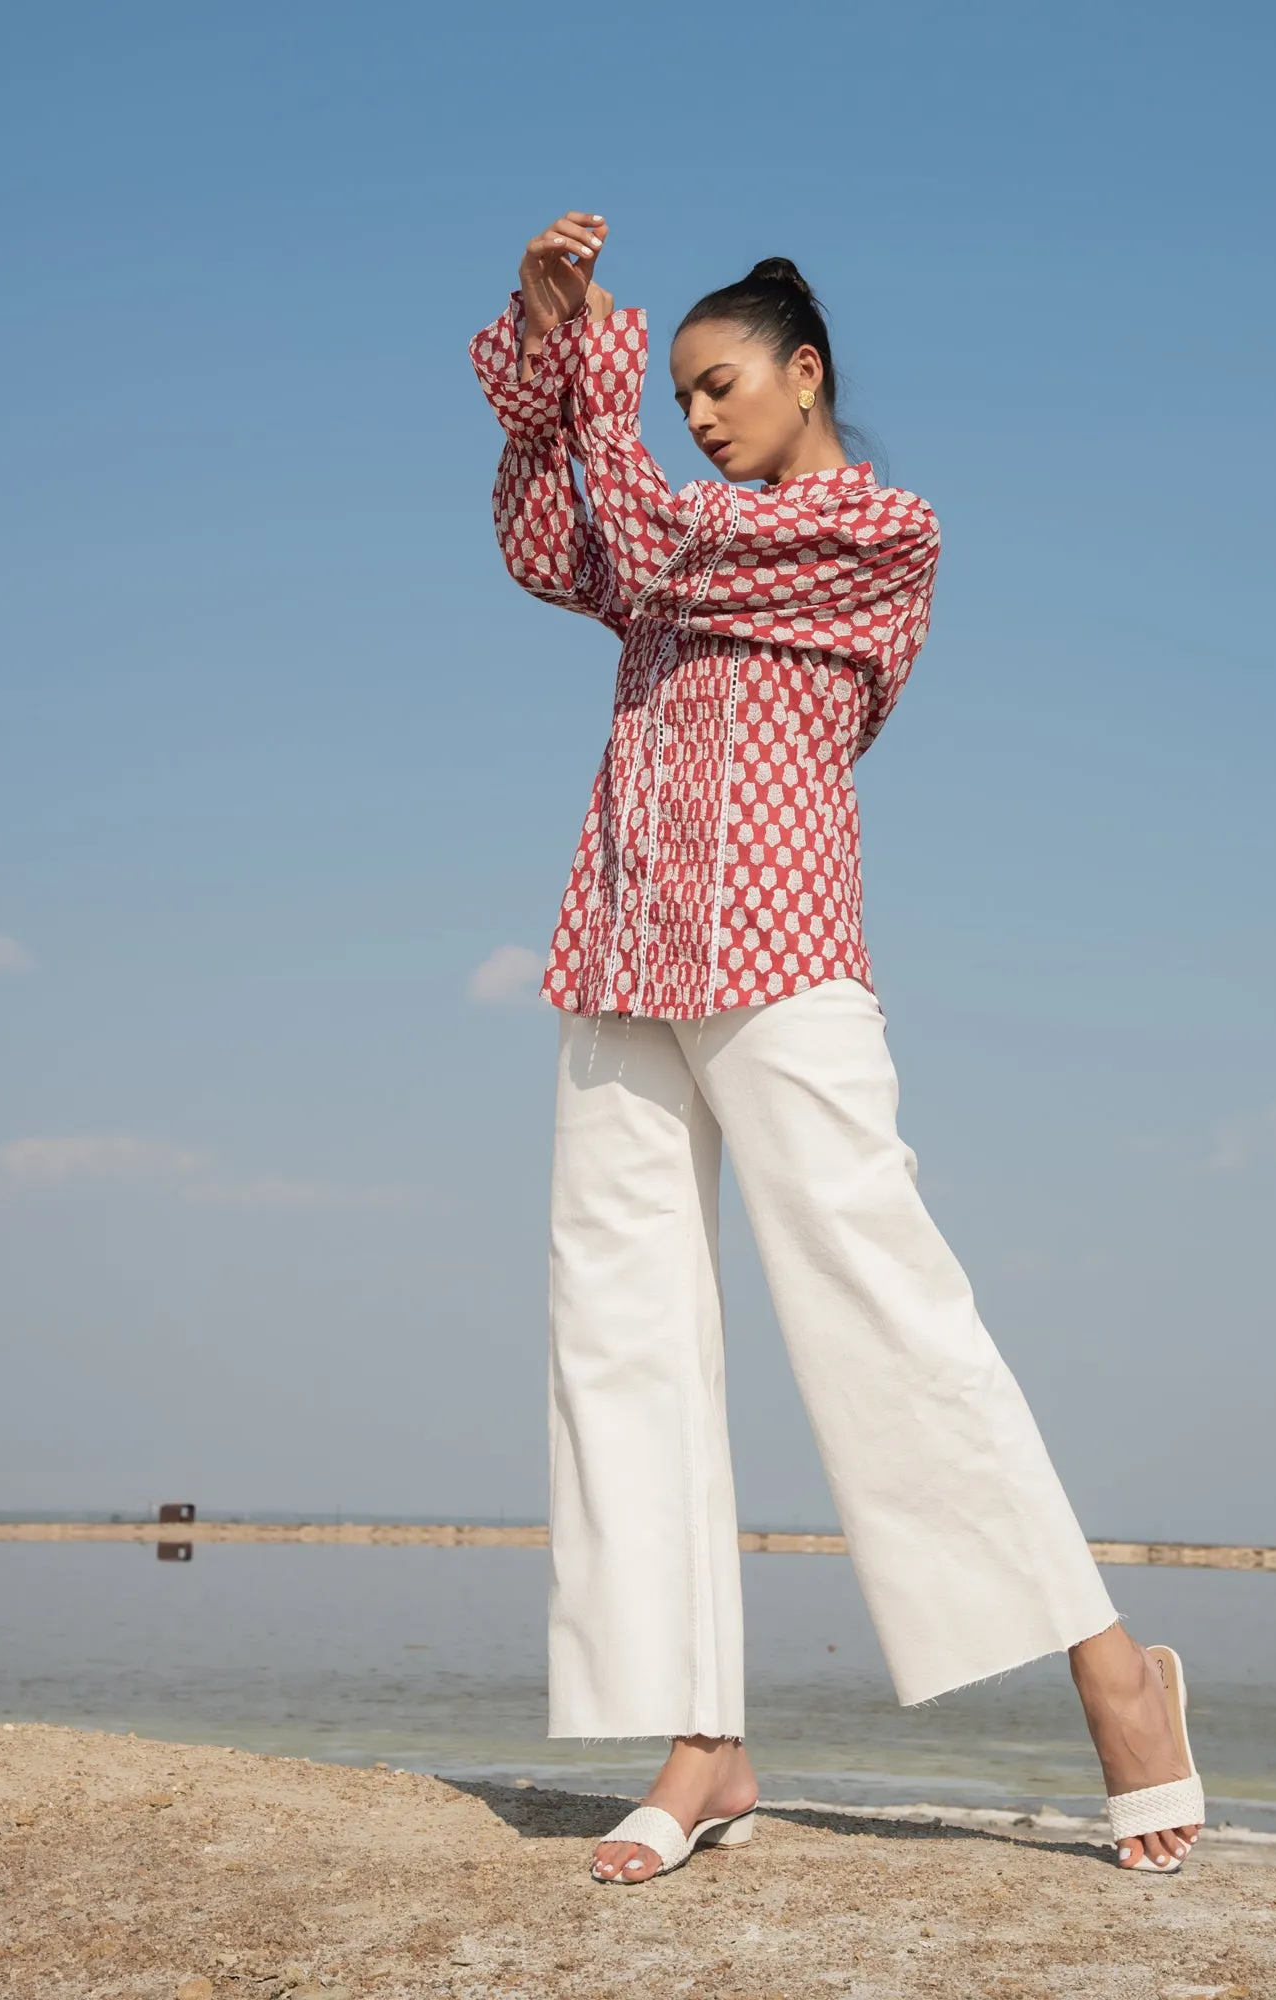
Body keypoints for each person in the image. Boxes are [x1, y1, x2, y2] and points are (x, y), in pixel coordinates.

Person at [469, 211, 1204, 1886]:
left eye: (720, 385)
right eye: (677, 393)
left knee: (882, 1302)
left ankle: (1113, 1673)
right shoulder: (679, 517)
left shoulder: (879, 527)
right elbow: (540, 540)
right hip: (623, 942)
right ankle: (702, 1740)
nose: (699, 415)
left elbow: (643, 541)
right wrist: (540, 347)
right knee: (621, 1334)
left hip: (784, 952)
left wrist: (586, 364)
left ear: (807, 376)